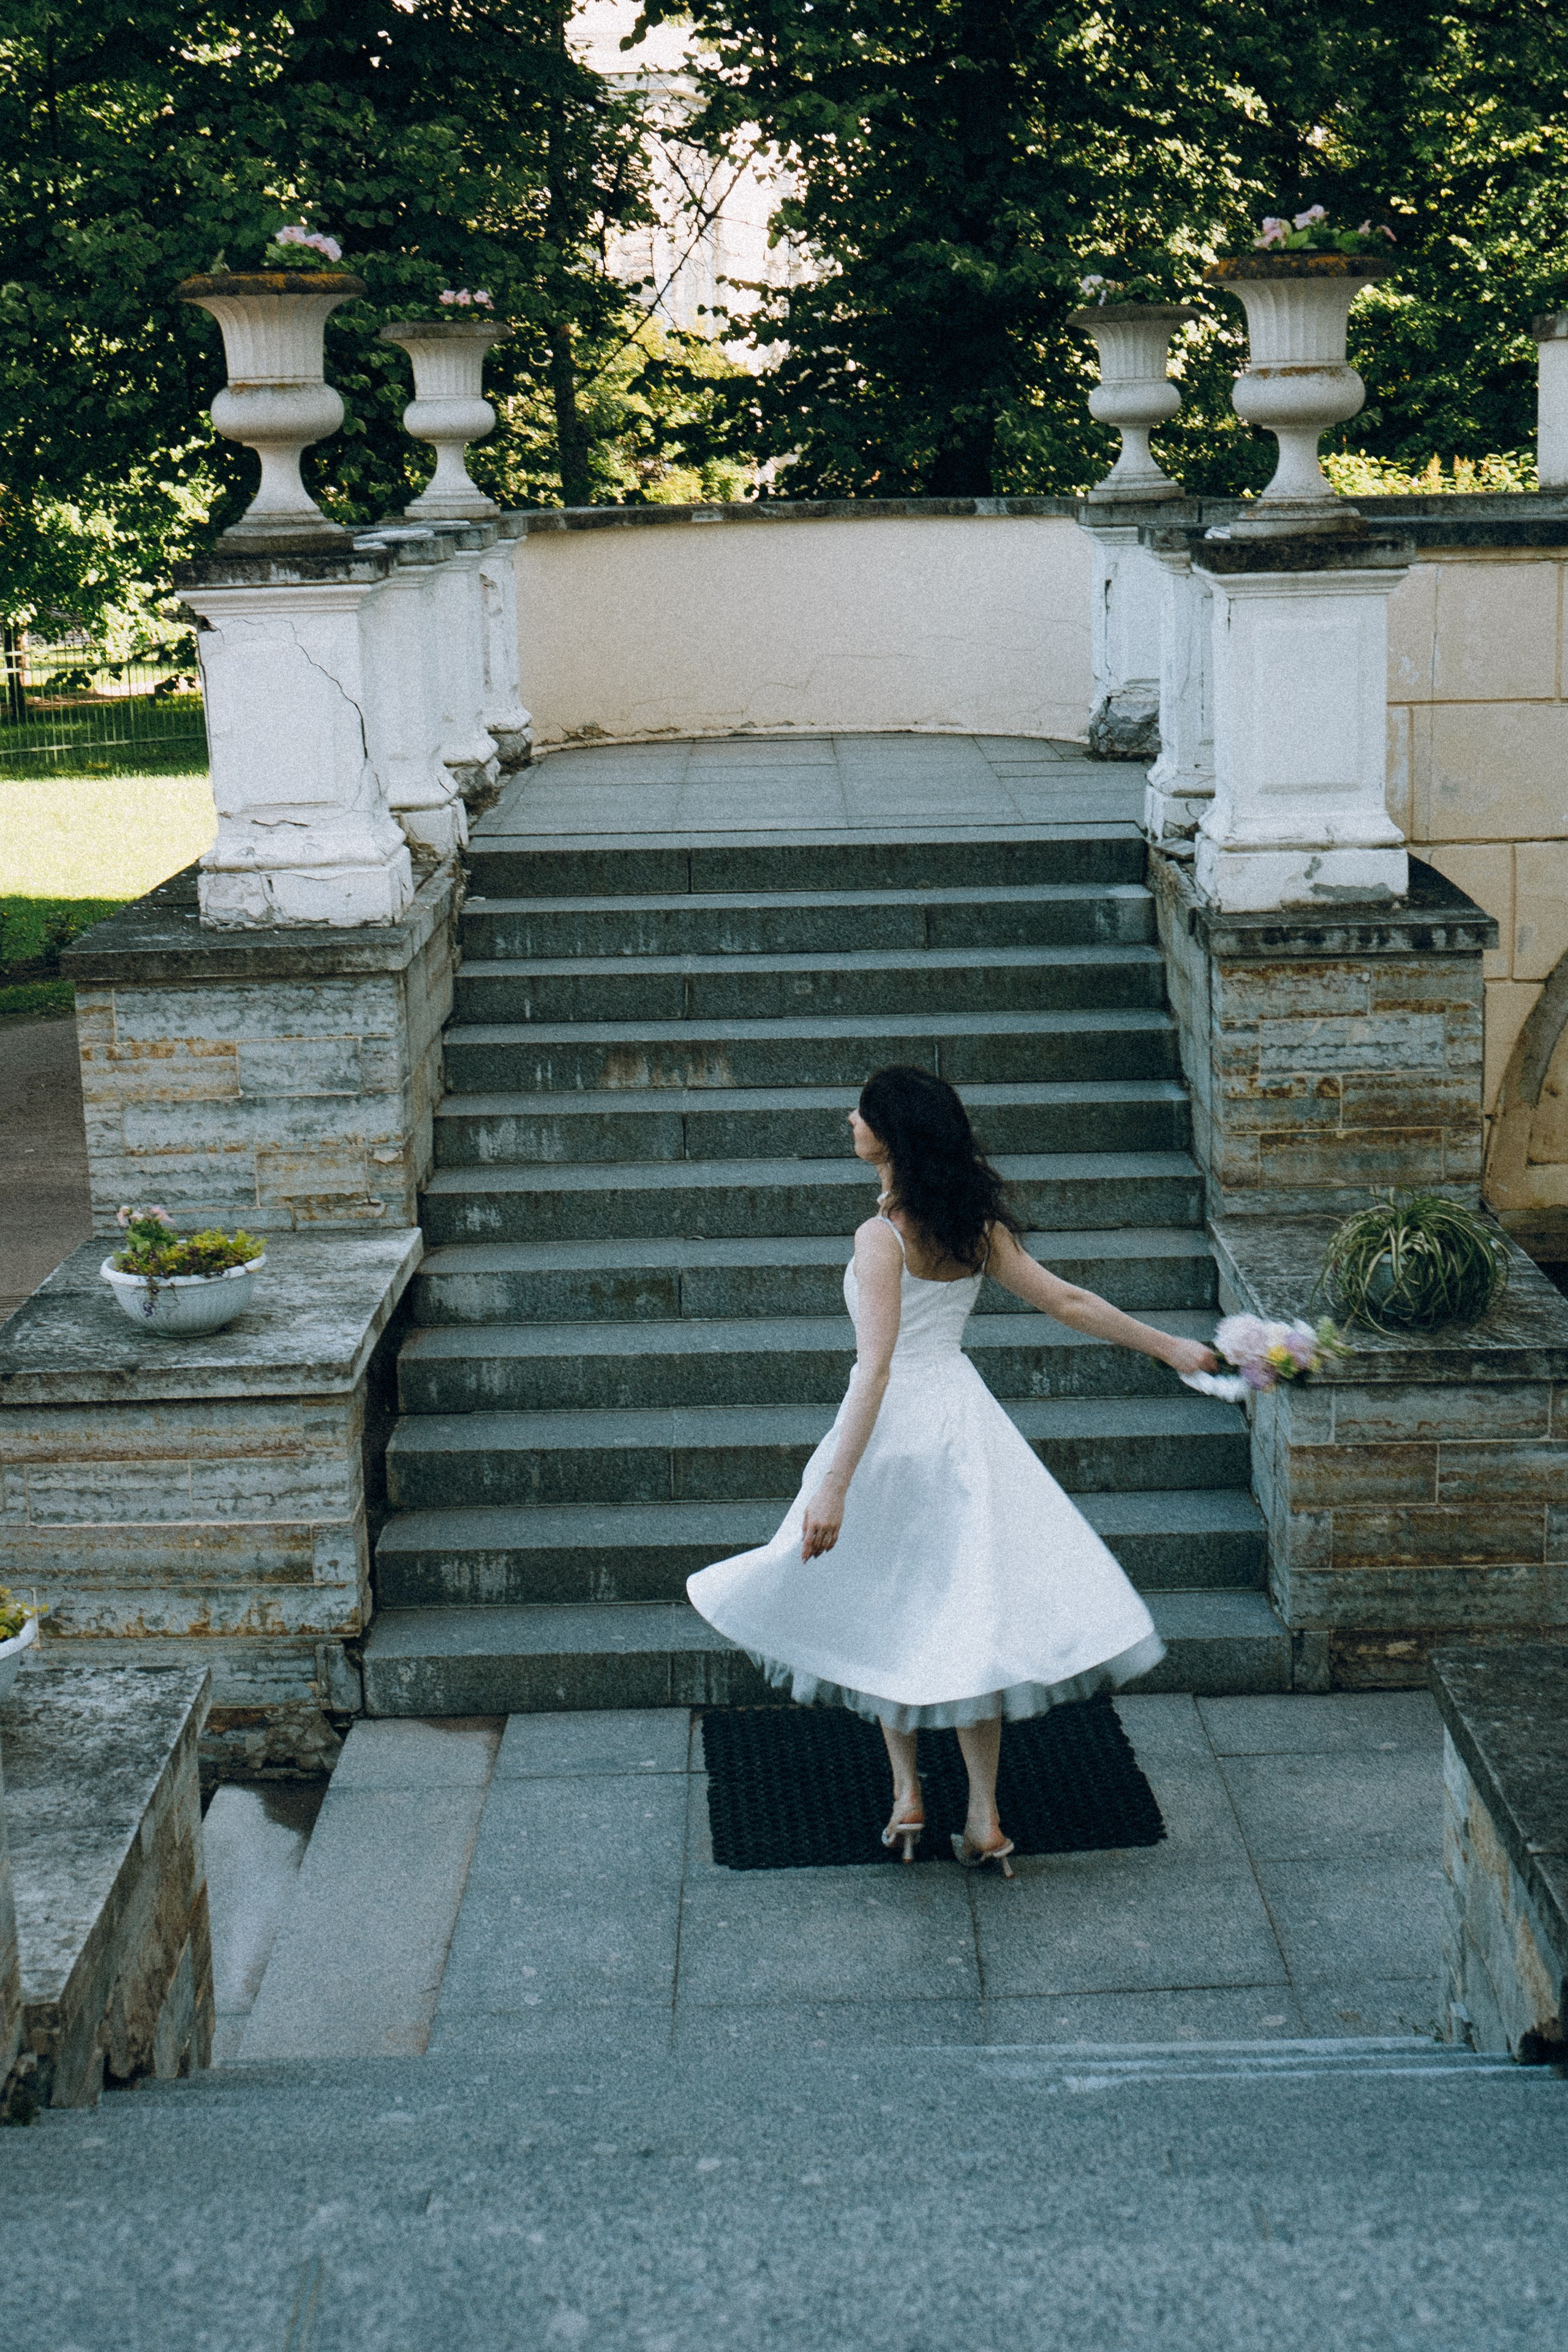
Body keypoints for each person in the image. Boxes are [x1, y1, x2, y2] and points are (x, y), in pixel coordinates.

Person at [687, 1065, 1219, 1876]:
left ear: (888, 1138)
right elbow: (1068, 1301)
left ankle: (907, 1796)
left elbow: (875, 1370)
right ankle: (984, 1814)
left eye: (860, 1111)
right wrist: (1171, 1345)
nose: (848, 1118)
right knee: (970, 1612)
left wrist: (831, 1481)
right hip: (963, 1430)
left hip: (891, 1436)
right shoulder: (973, 1223)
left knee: (880, 1601)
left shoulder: (880, 1238)